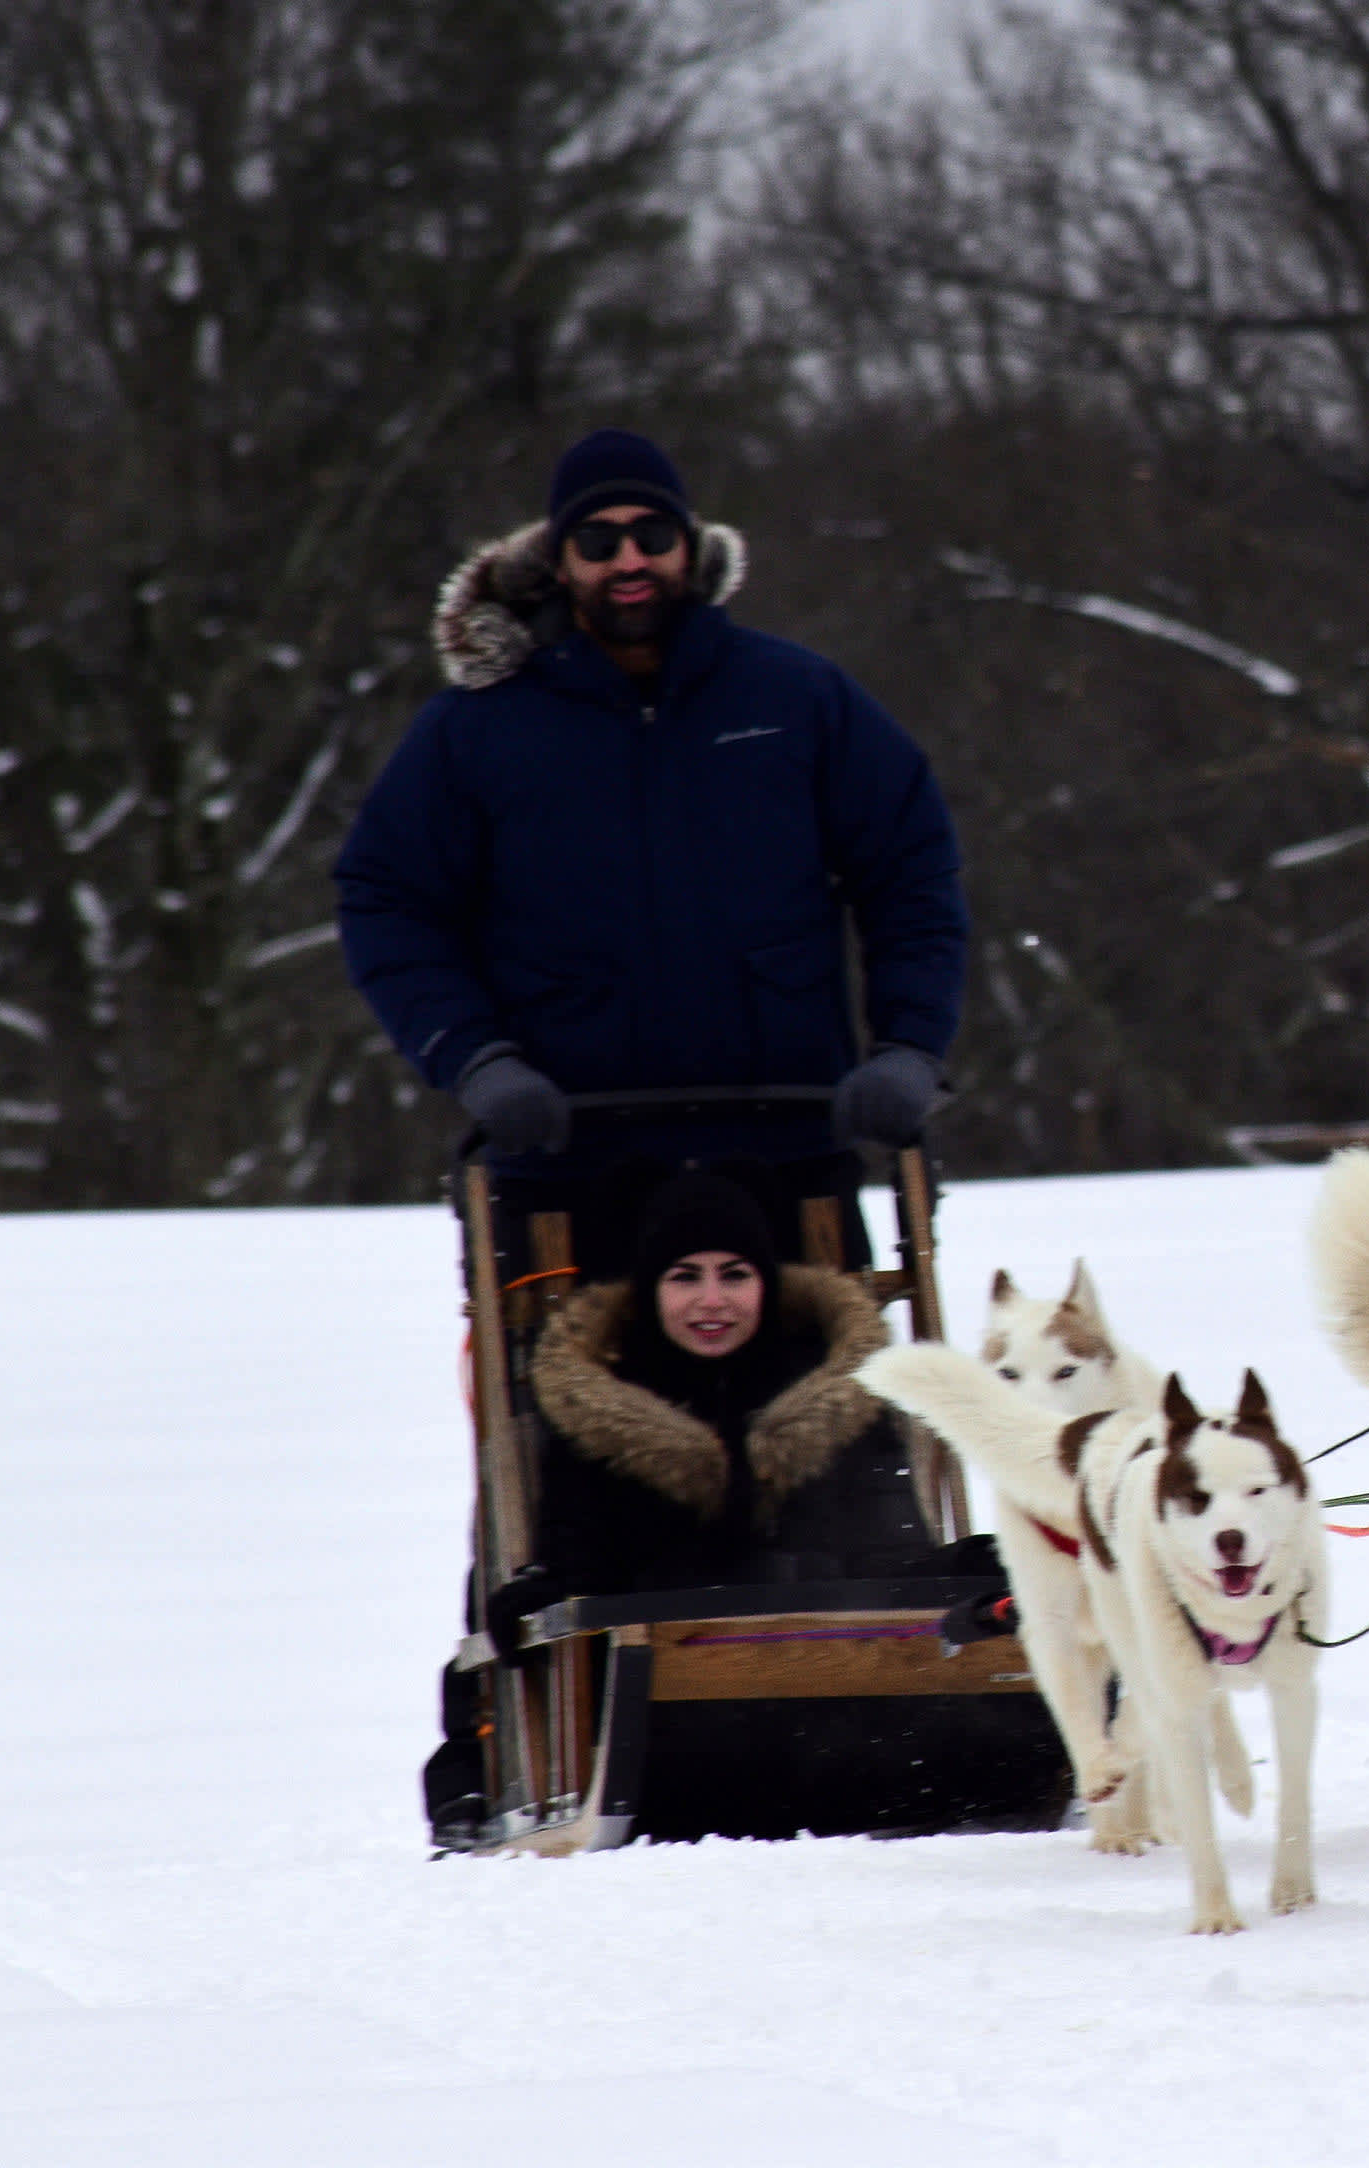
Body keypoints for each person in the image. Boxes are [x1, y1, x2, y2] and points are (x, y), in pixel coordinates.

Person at [334, 428, 966, 1254]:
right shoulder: (477, 730)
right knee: (569, 1390)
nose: (629, 560)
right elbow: (388, 901)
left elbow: (910, 870)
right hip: (565, 1169)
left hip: (786, 1159)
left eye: (653, 536)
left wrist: (909, 1048)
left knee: (825, 1389)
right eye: (599, 542)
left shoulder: (800, 698)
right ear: (559, 562)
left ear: (691, 549)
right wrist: (476, 1059)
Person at [422, 1162, 933, 1842]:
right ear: (651, 1291)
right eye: (685, 1277)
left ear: (768, 1284)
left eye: (735, 1275)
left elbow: (898, 1562)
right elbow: (576, 1562)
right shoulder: (598, 1413)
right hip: (667, 1735)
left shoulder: (840, 1399)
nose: (712, 1300)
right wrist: (540, 1592)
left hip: (830, 1705)